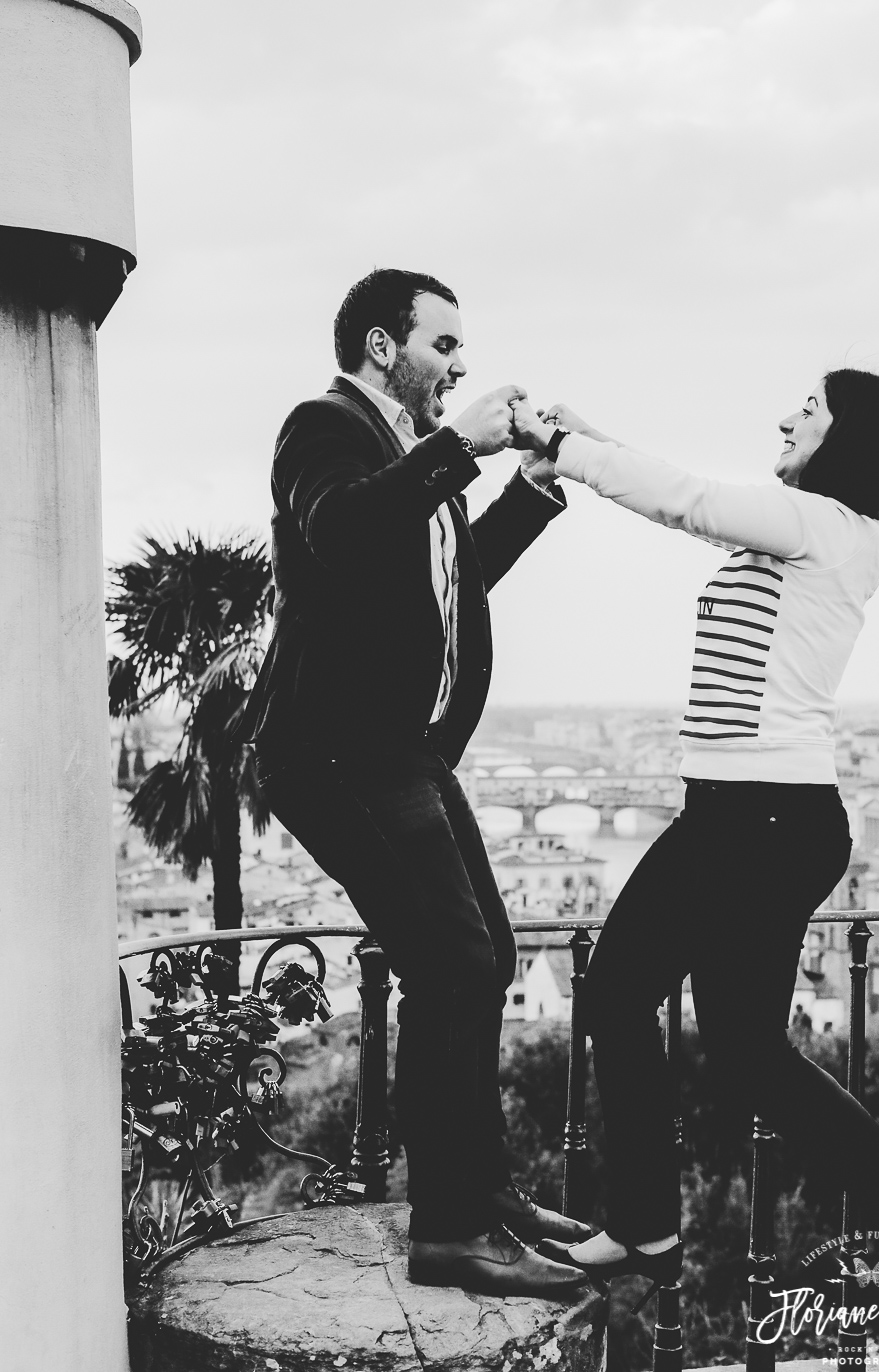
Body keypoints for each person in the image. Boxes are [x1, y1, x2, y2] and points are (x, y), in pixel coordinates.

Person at [512, 371, 879, 1348]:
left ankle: (647, 1227)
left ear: (846, 440)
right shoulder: (825, 529)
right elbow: (693, 500)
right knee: (744, 1055)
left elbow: (686, 498)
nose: (786, 417)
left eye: (809, 409)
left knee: (614, 994)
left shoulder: (817, 524)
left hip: (754, 818)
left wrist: (551, 444)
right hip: (765, 819)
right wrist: (578, 432)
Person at [239, 269, 590, 1298]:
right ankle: (449, 1229)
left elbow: (453, 574)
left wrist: (528, 483)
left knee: (485, 956)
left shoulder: (408, 460)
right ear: (385, 347)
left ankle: (479, 1192)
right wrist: (460, 448)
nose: (460, 364)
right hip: (335, 751)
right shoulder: (326, 426)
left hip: (402, 748)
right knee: (451, 963)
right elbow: (340, 528)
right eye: (444, 346)